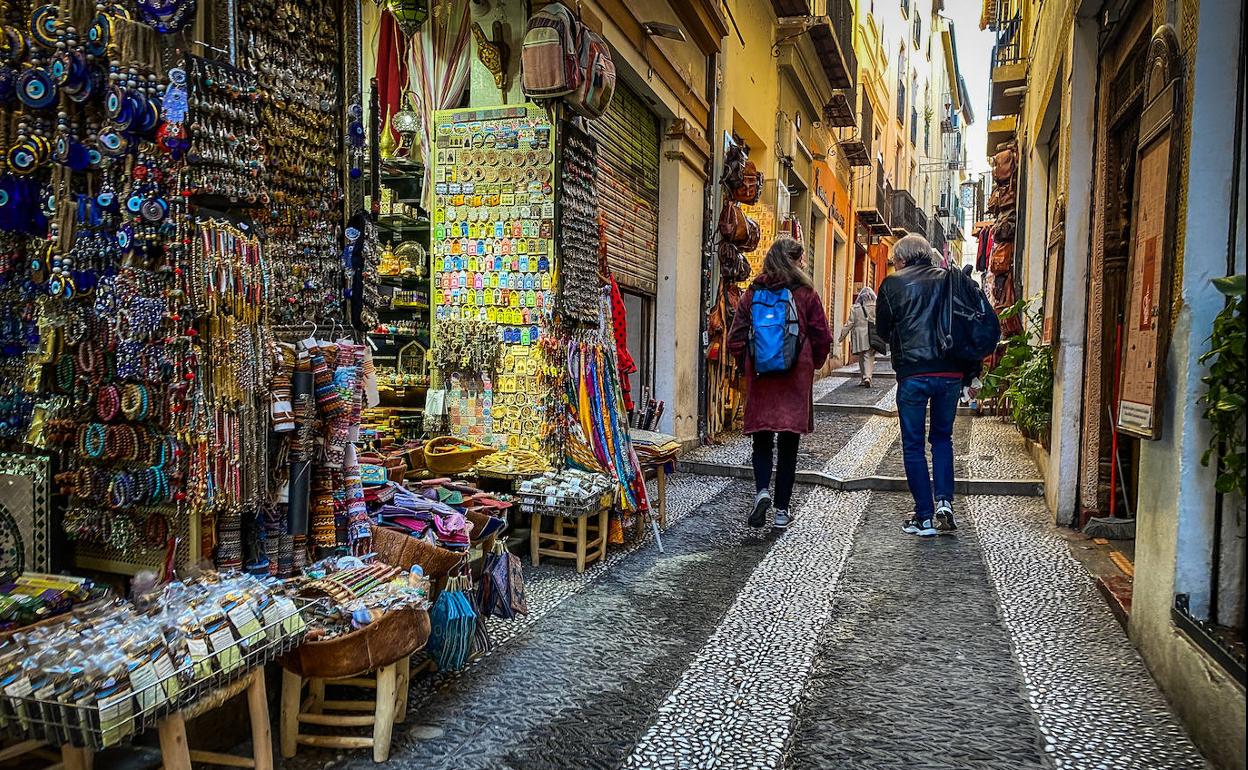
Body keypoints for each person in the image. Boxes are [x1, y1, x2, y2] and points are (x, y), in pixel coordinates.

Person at [728, 237, 831, 529]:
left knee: (762, 439)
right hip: (794, 378)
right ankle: (782, 510)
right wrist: (814, 363)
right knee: (788, 444)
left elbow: (735, 338)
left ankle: (762, 491)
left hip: (761, 377)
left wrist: (747, 364)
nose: (804, 264)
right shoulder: (806, 294)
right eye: (801, 259)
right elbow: (822, 335)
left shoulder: (753, 293)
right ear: (794, 261)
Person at [876, 233, 968, 537]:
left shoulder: (892, 284)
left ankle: (924, 517)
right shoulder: (949, 280)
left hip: (913, 374)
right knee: (942, 438)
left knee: (913, 444)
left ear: (901, 259)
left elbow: (883, 330)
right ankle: (944, 502)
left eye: (894, 261)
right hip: (950, 372)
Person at [837, 286, 878, 387]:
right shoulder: (876, 307)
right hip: (872, 335)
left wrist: (841, 337)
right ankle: (867, 377)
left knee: (862, 356)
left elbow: (849, 324)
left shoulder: (855, 308)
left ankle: (864, 378)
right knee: (869, 356)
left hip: (859, 336)